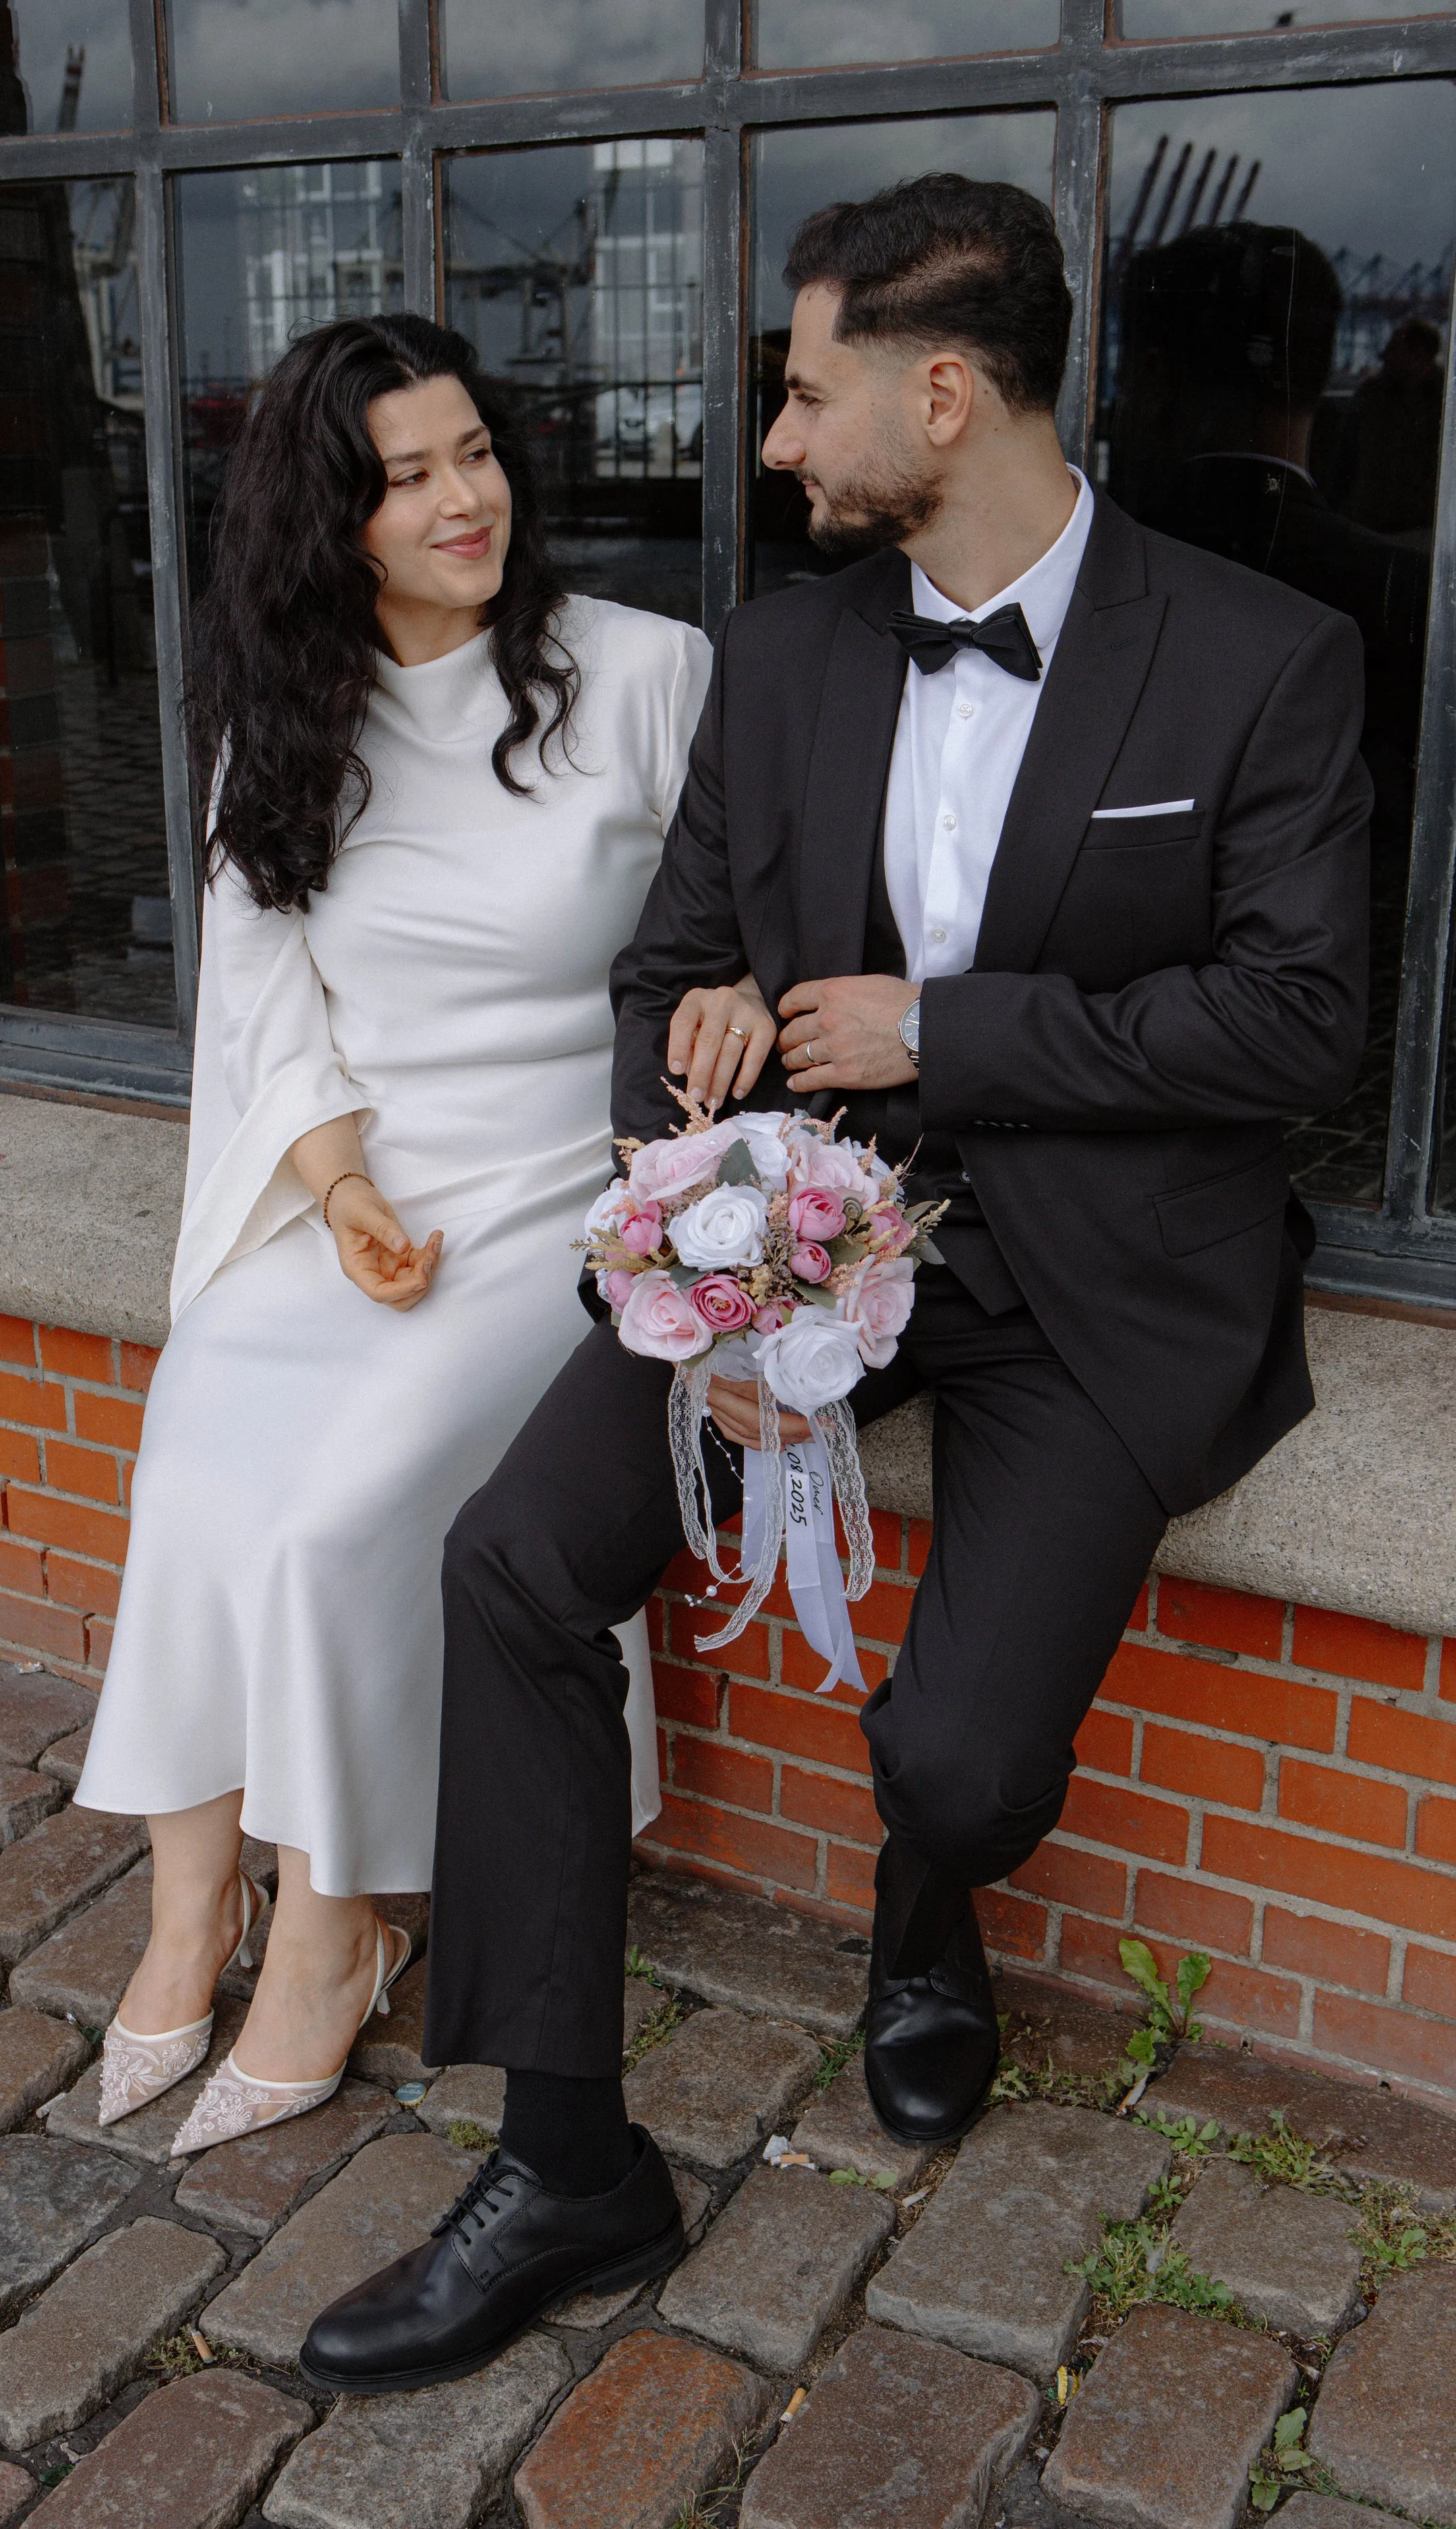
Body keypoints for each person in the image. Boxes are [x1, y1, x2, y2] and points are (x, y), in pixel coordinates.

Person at [298, 174, 1368, 2393]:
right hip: (785, 1242)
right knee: (507, 1562)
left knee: (960, 1756)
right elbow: (670, 964)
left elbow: (1295, 1024)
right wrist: (685, 1091)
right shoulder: (780, 661)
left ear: (942, 390)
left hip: (1093, 1276)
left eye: (804, 394)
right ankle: (567, 2152)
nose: (780, 444)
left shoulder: (1268, 655)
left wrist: (940, 1031)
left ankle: (925, 1899)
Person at [74, 313, 733, 2154]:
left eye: (476, 452)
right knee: (199, 1445)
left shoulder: (644, 674)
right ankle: (191, 1906)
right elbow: (268, 1001)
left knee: (342, 1505)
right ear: (325, 519)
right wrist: (347, 1192)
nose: (465, 500)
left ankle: (343, 1924)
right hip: (358, 1186)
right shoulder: (286, 721)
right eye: (406, 476)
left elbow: (725, 934)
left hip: (556, 1195)